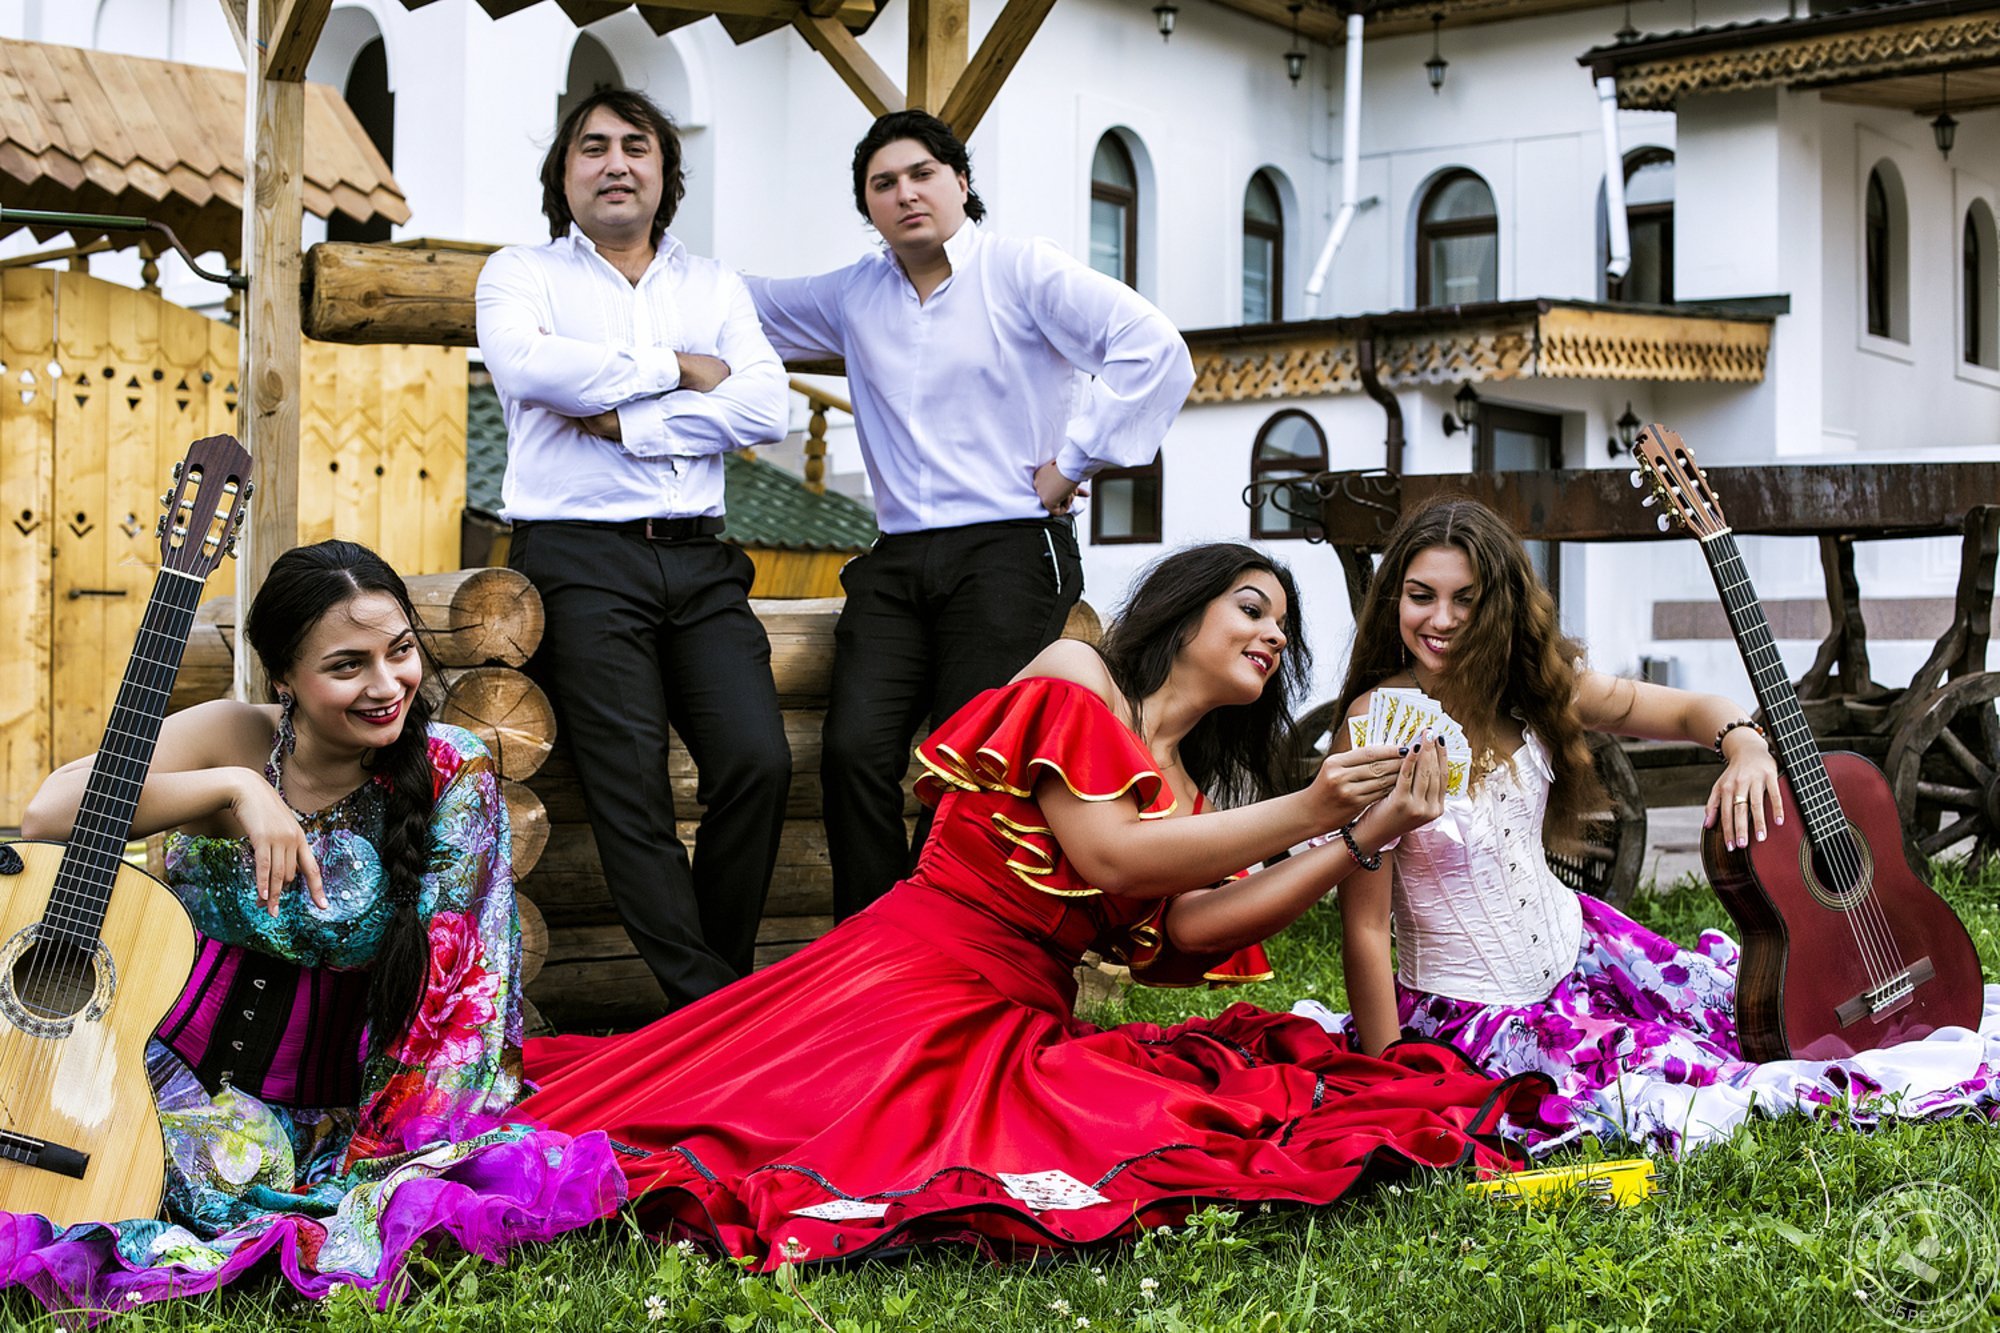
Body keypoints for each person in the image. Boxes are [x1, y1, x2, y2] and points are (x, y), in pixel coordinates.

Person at [516, 543, 1546, 1270]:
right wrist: (1313, 807)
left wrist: (1354, 838)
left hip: (1020, 1013)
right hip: (911, 971)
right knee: (774, 1129)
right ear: (1184, 609)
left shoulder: (1194, 796)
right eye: (1251, 606)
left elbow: (1186, 934)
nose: (1273, 633)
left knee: (1162, 1112)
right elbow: (1109, 853)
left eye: (1283, 625)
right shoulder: (1077, 676)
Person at [2, 541, 621, 1314]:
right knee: (73, 1149)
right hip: (152, 1070)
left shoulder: (451, 769)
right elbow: (49, 812)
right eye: (347, 665)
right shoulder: (236, 736)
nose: (385, 684)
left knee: (189, 1177)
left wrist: (378, 1164)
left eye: (400, 651)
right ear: (284, 677)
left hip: (326, 1117)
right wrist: (235, 787)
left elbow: (455, 995)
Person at [1306, 497, 2000, 1153]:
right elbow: (1363, 927)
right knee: (1692, 1076)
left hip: (1585, 944)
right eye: (1421, 595)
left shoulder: (1531, 687)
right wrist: (1392, 1080)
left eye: (1467, 598)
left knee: (1751, 1021)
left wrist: (1744, 745)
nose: (1442, 619)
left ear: (1502, 604)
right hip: (1476, 1008)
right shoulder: (1376, 727)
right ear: (1395, 599)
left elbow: (1689, 710)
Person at [746, 110, 1196, 919]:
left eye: (922, 173)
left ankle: (933, 937)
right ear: (867, 205)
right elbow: (741, 304)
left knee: (964, 763)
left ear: (961, 181)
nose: (905, 193)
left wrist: (1075, 460)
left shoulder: (1020, 269)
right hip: (896, 555)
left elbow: (1153, 345)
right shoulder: (854, 293)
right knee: (852, 749)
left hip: (1011, 551)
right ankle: (871, 938)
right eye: (883, 183)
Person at [477, 88, 793, 1009]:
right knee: (632, 789)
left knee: (758, 762)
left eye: (636, 146)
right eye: (593, 146)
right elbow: (529, 365)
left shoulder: (715, 286)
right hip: (579, 560)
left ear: (665, 171)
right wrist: (680, 368)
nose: (615, 162)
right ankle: (712, 1008)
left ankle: (716, 993)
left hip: (702, 560)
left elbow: (767, 407)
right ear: (564, 173)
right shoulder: (521, 273)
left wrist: (629, 420)